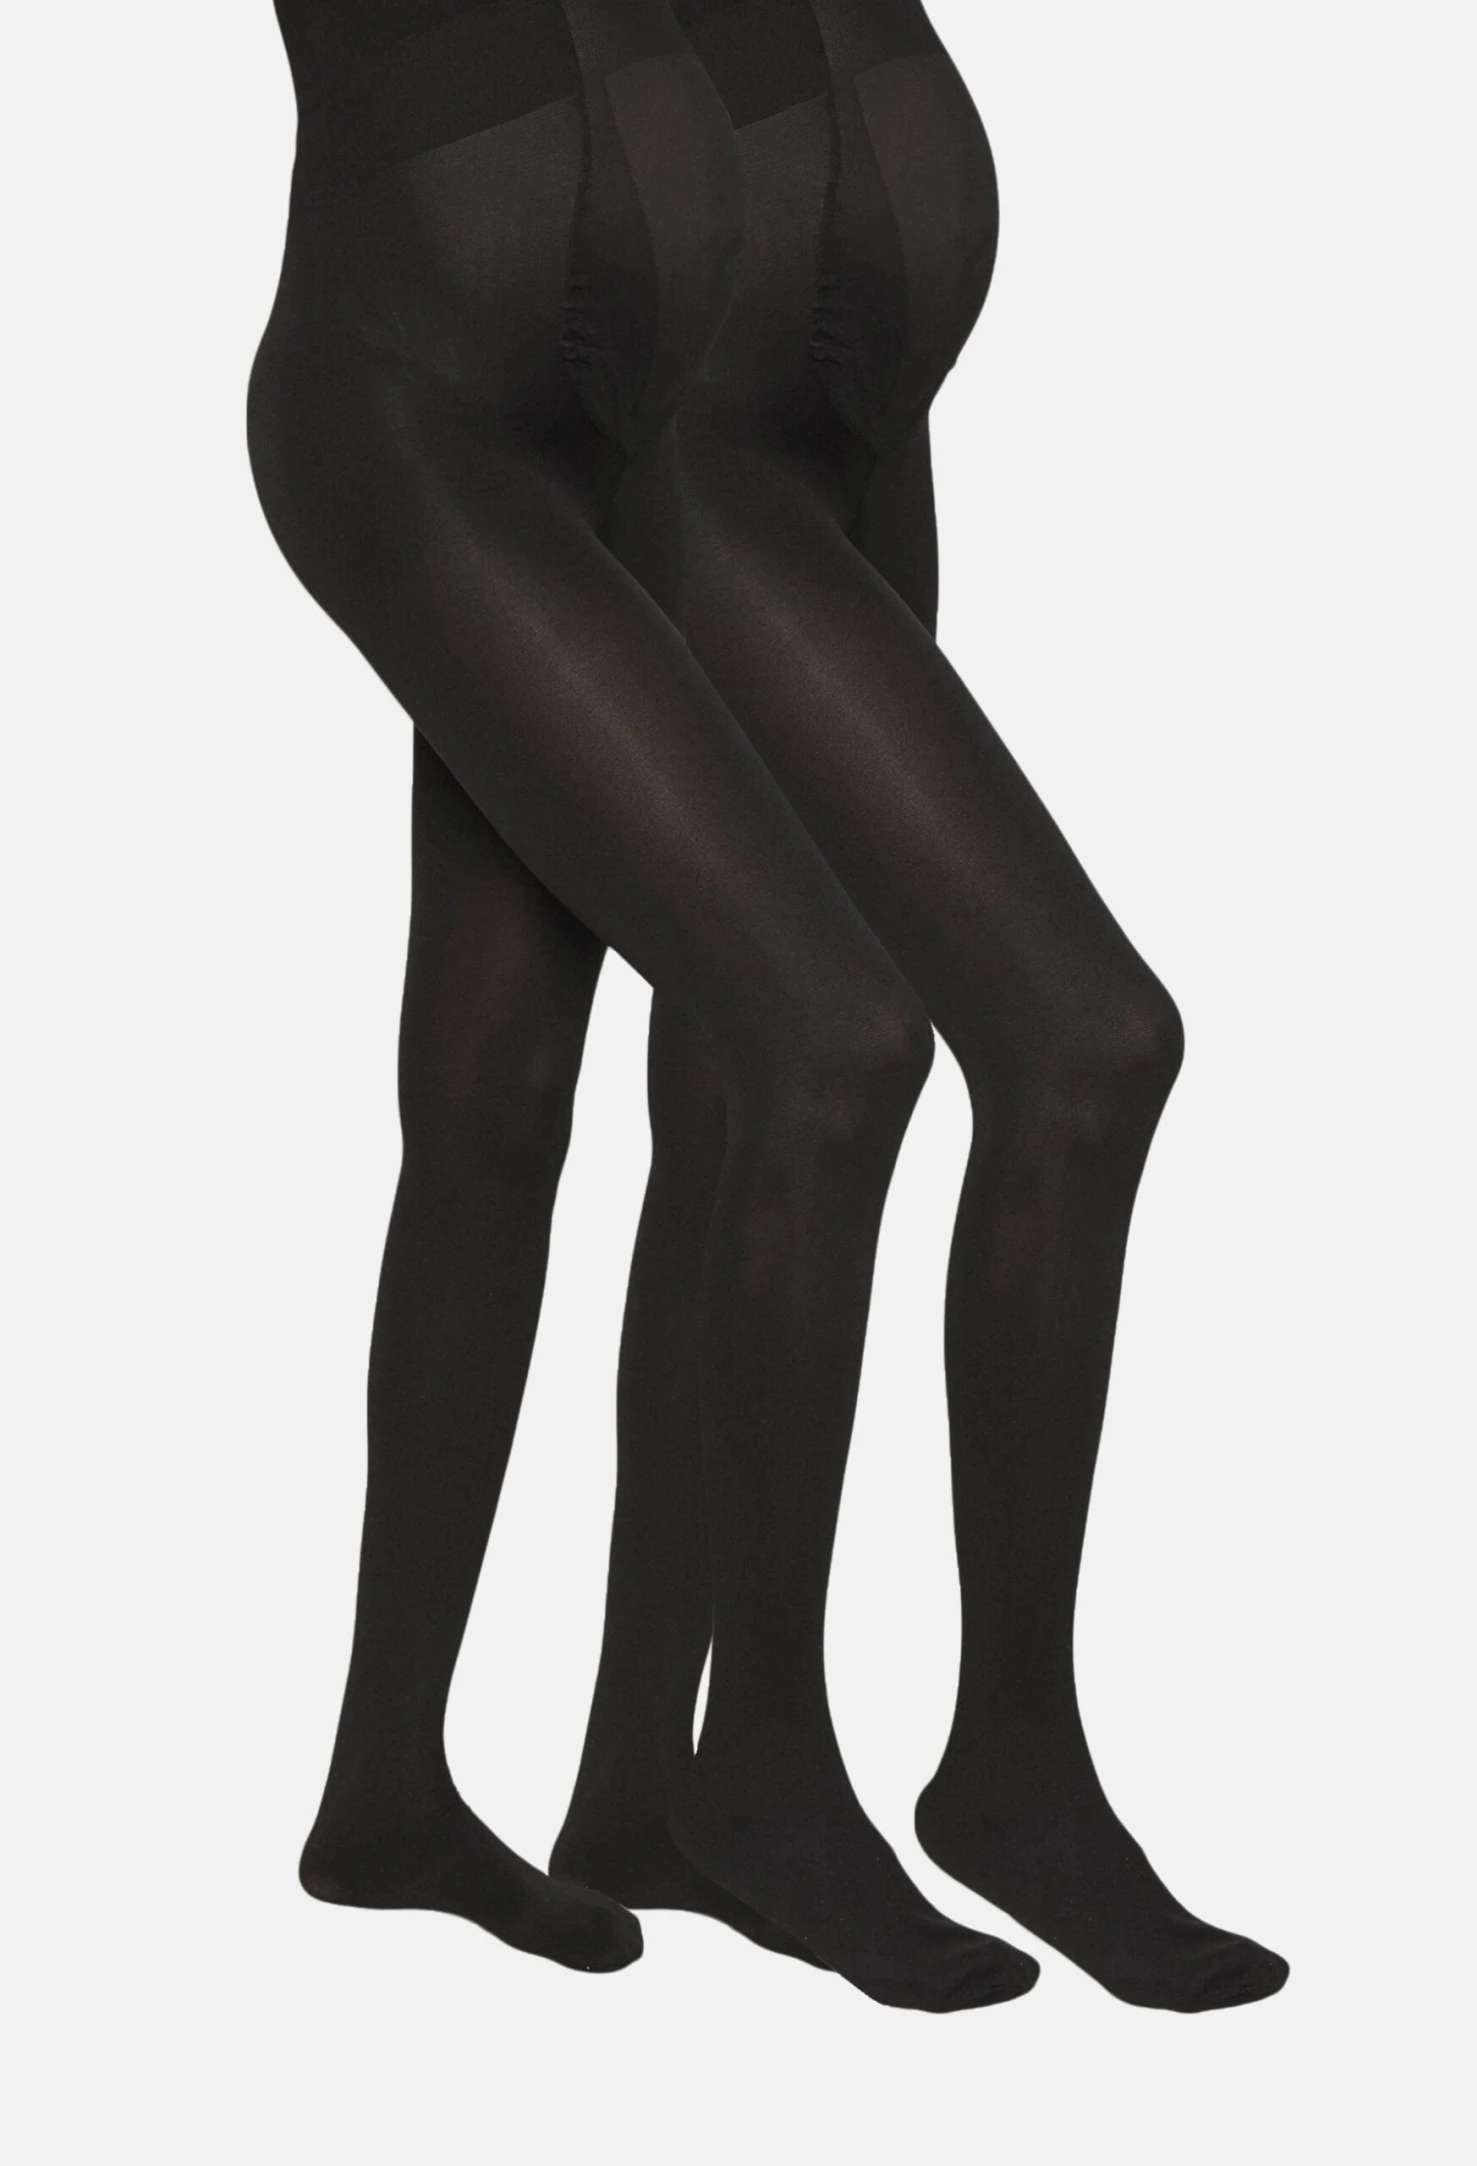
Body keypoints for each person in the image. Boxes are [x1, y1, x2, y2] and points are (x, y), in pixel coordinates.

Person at [250, 0, 1036, 2009]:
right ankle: (692, 1776)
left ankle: (579, 1787)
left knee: (542, 1085)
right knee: (808, 1041)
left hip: (679, 403)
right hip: (424, 403)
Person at [552, 0, 1288, 2014]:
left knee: (739, 1100)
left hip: (852, 411)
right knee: (1074, 1041)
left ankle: (645, 1780)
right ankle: (838, 1765)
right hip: (690, 432)